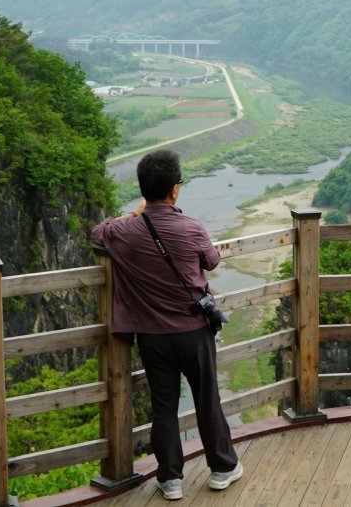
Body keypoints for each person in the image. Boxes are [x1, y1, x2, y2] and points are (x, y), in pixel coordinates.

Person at [92, 149, 242, 500]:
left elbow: (99, 231)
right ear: (175, 189)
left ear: (143, 189)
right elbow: (212, 261)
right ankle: (222, 469)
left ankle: (171, 479)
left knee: (164, 406)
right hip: (194, 332)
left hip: (152, 336)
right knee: (207, 399)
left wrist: (135, 214)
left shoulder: (125, 230)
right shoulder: (192, 228)